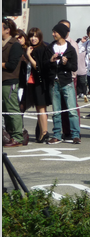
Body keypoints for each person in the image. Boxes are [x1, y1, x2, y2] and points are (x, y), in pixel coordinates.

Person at [45, 23, 80, 145]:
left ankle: (76, 135)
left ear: (61, 34)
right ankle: (56, 135)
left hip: (66, 82)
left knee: (72, 110)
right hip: (54, 83)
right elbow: (44, 64)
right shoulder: (50, 48)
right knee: (56, 111)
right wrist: (51, 60)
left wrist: (66, 63)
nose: (53, 34)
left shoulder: (70, 49)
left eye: (55, 32)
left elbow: (75, 67)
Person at [20, 27, 52, 143]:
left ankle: (44, 133)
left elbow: (37, 66)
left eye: (35, 36)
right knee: (40, 109)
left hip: (40, 83)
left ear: (40, 37)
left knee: (41, 108)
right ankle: (42, 133)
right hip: (34, 82)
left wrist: (28, 56)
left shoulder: (40, 49)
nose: (33, 38)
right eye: (31, 36)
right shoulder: (36, 48)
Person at [2, 18, 25, 147]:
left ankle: (18, 136)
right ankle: (10, 134)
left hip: (10, 80)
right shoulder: (3, 43)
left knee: (12, 108)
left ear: (7, 30)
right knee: (5, 109)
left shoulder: (14, 44)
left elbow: (12, 65)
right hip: (2, 80)